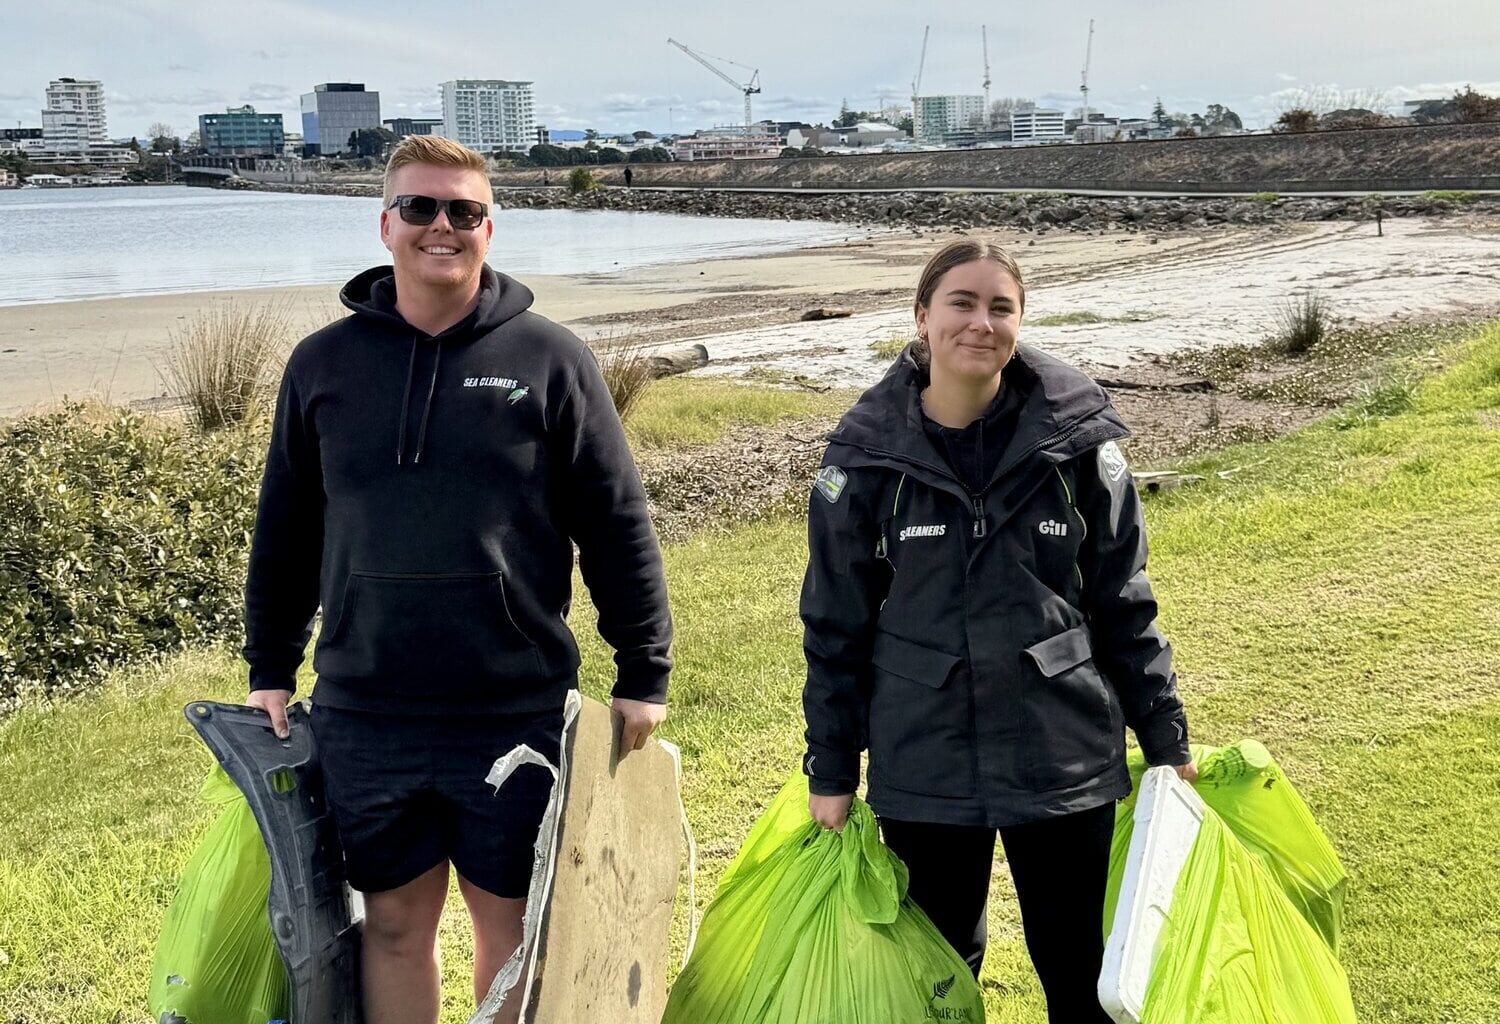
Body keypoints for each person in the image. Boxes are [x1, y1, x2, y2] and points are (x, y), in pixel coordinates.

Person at [242, 134, 673, 1024]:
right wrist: (271, 666)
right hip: (368, 705)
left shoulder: (551, 360)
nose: (443, 227)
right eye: (421, 208)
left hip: (510, 704)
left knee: (510, 931)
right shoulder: (322, 366)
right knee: (394, 926)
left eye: (465, 211)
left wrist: (643, 670)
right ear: (386, 223)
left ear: (490, 227)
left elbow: (616, 520)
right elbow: (286, 527)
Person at [800, 239, 1195, 1022]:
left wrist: (1167, 739)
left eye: (1000, 307)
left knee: (1083, 966)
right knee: (939, 976)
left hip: (1061, 750)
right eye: (961, 303)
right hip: (926, 758)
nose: (981, 323)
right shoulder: (863, 460)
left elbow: (1125, 601)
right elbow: (834, 626)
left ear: (1019, 321)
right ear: (921, 318)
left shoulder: (1080, 445)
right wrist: (832, 768)